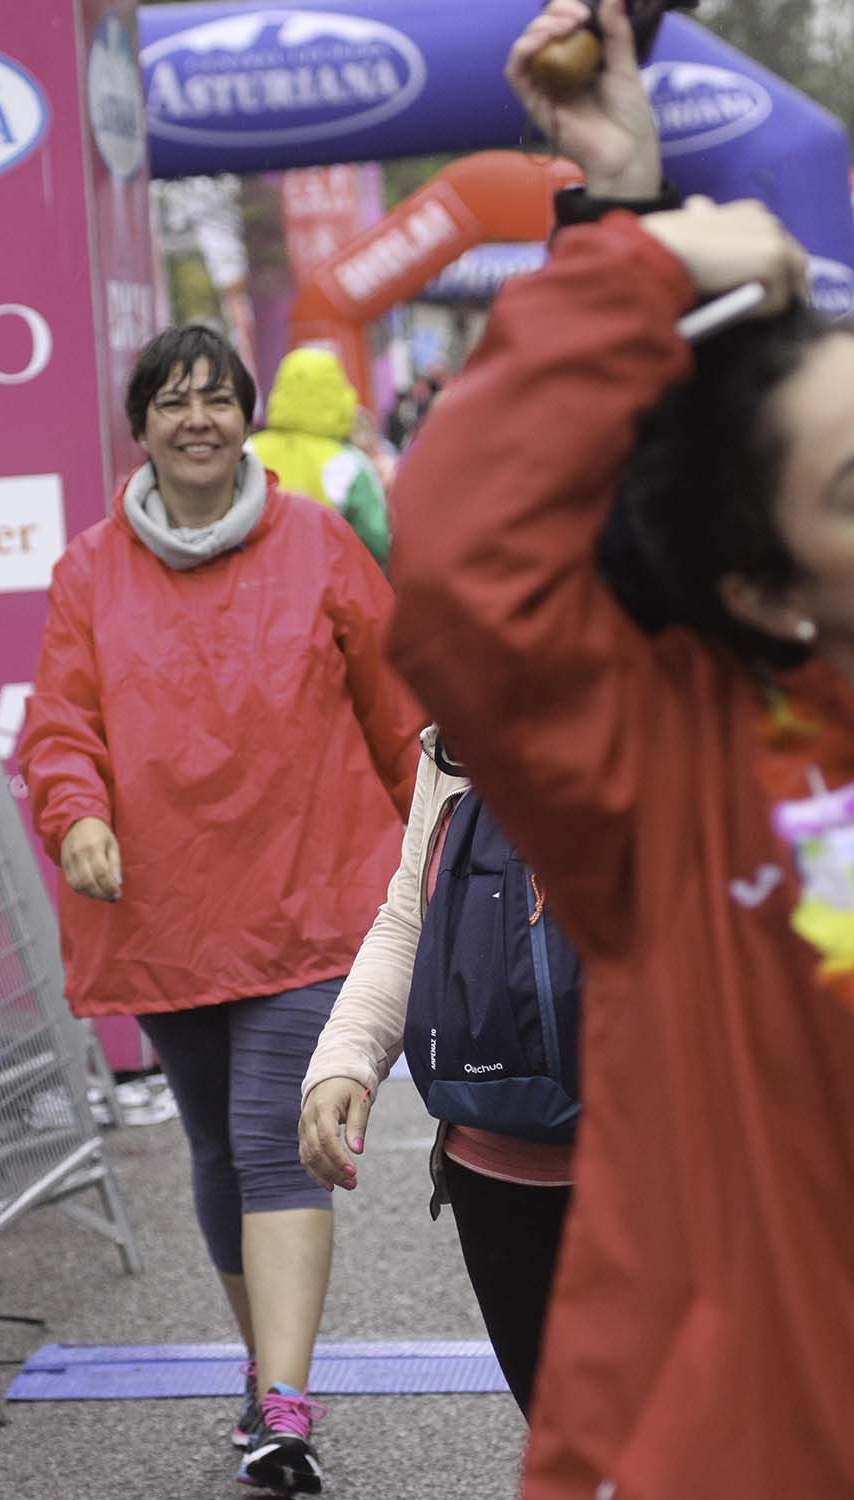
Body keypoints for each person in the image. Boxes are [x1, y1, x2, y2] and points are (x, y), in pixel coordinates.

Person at [386, 2, 854, 1496]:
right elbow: (470, 567)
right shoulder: (693, 780)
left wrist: (628, 192)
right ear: (762, 586)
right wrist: (635, 253)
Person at [18, 322, 421, 1497]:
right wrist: (75, 811)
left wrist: (431, 856)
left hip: (310, 893)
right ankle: (265, 1373)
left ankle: (285, 1411)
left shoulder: (321, 543)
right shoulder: (88, 568)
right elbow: (60, 724)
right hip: (161, 908)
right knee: (211, 1150)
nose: (196, 418)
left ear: (249, 417)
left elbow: (397, 709)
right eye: (172, 401)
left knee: (269, 1141)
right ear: (139, 426)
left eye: (216, 399)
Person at [298, 726, 577, 1416]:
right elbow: (411, 919)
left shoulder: (692, 700)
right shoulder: (457, 738)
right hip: (497, 1169)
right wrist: (344, 1060)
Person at [250, 347, 391, 567]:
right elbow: (377, 541)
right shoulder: (350, 464)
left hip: (255, 587)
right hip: (328, 590)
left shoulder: (248, 452)